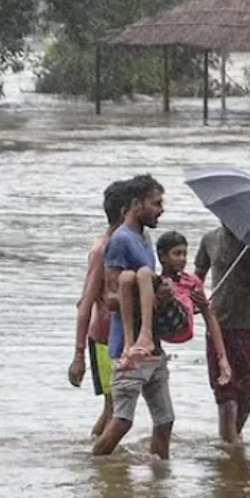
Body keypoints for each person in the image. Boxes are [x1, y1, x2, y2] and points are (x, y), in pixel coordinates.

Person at [93, 175, 176, 459]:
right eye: (156, 203)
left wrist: (161, 293)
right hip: (128, 348)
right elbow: (111, 298)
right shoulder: (120, 240)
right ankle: (94, 470)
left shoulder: (145, 238)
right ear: (136, 204)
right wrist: (147, 299)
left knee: (165, 421)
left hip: (153, 345)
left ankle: (160, 479)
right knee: (122, 422)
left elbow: (147, 287)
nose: (161, 210)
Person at [195, 224, 250, 446]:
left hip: (247, 327)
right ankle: (231, 453)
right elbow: (197, 278)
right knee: (225, 396)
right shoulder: (210, 239)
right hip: (217, 327)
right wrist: (194, 301)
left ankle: (230, 444)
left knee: (246, 399)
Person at [69, 180, 130, 437]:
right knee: (114, 409)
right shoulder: (101, 250)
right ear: (126, 211)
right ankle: (97, 454)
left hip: (126, 336)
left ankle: (101, 455)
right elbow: (85, 303)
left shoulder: (133, 243)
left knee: (118, 407)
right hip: (104, 338)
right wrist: (79, 355)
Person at [154, 230, 232, 388]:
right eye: (177, 254)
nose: (182, 259)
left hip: (182, 325)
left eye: (185, 254)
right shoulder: (157, 282)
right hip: (163, 324)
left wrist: (222, 357)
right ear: (162, 257)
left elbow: (209, 317)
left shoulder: (192, 283)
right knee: (162, 286)